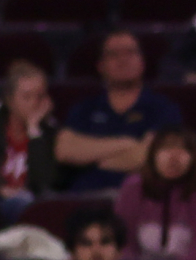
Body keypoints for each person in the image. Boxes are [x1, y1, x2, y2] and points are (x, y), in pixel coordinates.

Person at [56, 31, 183, 192]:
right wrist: (127, 143)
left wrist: (94, 158)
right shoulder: (85, 108)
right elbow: (64, 151)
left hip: (141, 198)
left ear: (142, 62)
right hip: (85, 197)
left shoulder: (162, 108)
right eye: (114, 55)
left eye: (130, 53)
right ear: (101, 66)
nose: (123, 60)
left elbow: (148, 156)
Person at [114, 127, 196, 260]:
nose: (174, 157)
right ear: (153, 155)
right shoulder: (133, 188)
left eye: (183, 150)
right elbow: (125, 243)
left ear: (194, 158)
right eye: (166, 149)